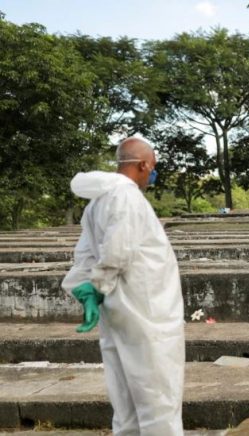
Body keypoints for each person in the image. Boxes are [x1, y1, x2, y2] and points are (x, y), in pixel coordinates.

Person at [62, 137, 185, 436]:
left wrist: (86, 288)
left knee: (126, 399)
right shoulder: (127, 197)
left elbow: (86, 254)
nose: (152, 174)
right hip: (147, 313)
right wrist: (98, 285)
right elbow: (118, 251)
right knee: (158, 398)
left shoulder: (98, 201)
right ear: (143, 165)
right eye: (152, 167)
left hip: (119, 311)